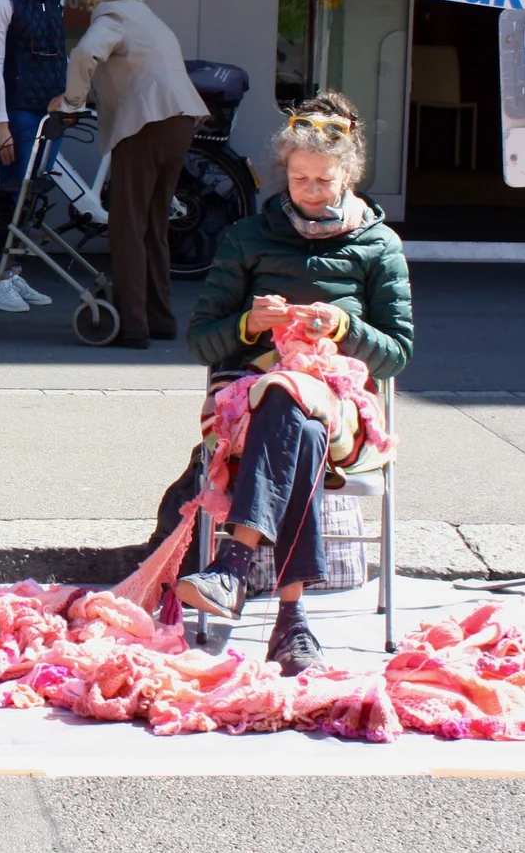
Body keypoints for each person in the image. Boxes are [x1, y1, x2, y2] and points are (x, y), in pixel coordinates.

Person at [175, 92, 412, 675]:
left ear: (349, 173)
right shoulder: (248, 237)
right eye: (299, 177)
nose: (309, 190)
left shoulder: (379, 246)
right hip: (254, 404)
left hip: (345, 407)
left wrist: (344, 326)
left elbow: (397, 353)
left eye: (323, 180)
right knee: (290, 410)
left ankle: (234, 565)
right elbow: (201, 341)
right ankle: (290, 620)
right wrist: (247, 324)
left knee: (294, 397)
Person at [51, 0, 208, 349]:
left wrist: (72, 102)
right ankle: (161, 318)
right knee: (155, 224)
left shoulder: (113, 18)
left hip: (146, 124)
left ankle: (133, 325)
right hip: (181, 121)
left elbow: (85, 54)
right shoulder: (148, 18)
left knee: (127, 223)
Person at [0, 0, 68, 313]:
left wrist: (67, 96)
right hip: (18, 105)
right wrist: (2, 123)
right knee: (15, 189)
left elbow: (59, 48)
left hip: (50, 106)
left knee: (33, 196)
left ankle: (14, 272)